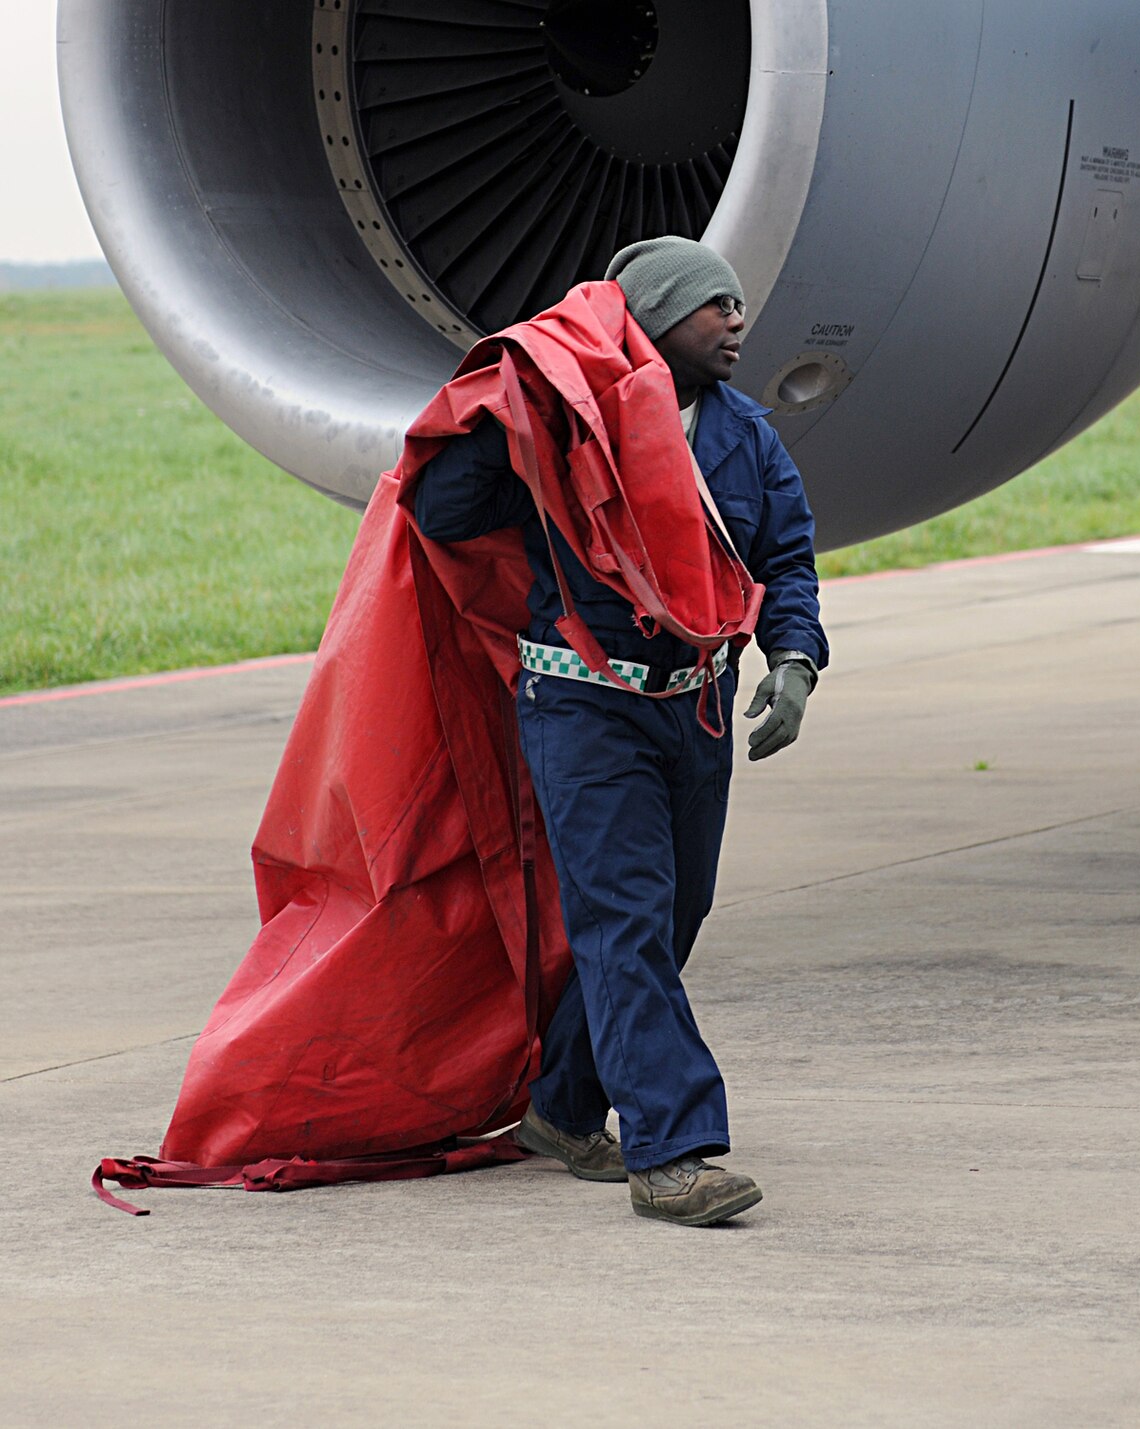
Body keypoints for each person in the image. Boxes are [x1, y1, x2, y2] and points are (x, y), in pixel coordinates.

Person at [408, 237, 828, 1227]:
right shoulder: (566, 425)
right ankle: (671, 1151)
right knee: (626, 917)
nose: (736, 320)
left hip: (695, 707)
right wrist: (505, 412)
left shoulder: (745, 434)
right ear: (653, 318)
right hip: (583, 708)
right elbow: (443, 506)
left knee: (675, 914)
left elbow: (787, 559)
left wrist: (797, 660)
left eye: (737, 301)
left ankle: (558, 1110)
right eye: (711, 305)